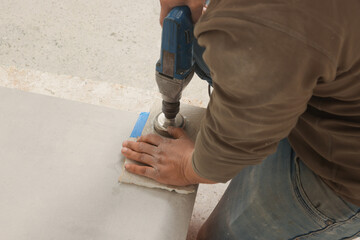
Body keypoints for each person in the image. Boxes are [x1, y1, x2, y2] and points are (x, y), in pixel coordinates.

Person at [121, 0, 360, 239]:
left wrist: (189, 167)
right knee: (201, 28)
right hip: (333, 71)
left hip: (343, 172)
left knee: (220, 235)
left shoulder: (268, 20)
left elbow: (238, 142)